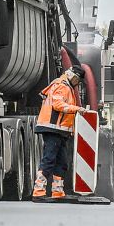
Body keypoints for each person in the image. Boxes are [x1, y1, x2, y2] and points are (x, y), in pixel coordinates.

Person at [33, 66, 86, 201]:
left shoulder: (66, 86)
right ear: (74, 77)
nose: (77, 84)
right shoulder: (61, 85)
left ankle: (58, 192)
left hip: (60, 130)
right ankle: (38, 191)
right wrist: (77, 109)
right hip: (53, 128)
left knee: (62, 162)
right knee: (49, 159)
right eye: (78, 81)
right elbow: (58, 105)